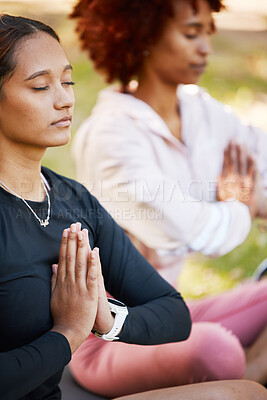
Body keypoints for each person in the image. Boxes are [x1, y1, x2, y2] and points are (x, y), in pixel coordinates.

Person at [2, 13, 265, 400]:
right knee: (221, 357)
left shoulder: (72, 201)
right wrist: (70, 333)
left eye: (68, 81)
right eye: (41, 86)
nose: (65, 98)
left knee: (245, 393)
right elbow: (193, 229)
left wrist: (107, 319)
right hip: (86, 363)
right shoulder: (115, 134)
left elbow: (174, 313)